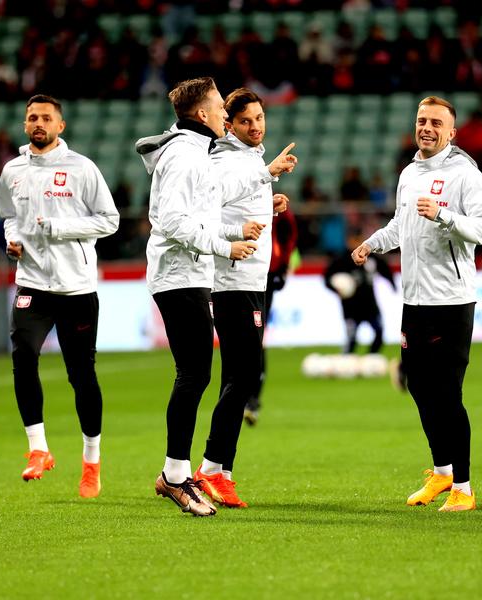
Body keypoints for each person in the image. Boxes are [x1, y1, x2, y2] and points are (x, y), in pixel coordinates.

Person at [135, 78, 296, 516]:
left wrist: (237, 227)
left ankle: (190, 472)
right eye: (222, 108)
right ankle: (185, 475)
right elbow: (172, 222)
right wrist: (226, 245)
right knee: (201, 375)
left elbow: (204, 213)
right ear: (203, 114)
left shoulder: (197, 152)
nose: (226, 114)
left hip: (194, 273)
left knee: (208, 374)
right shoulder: (189, 156)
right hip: (185, 274)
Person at [352, 96, 482, 512]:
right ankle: (442, 471)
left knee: (448, 394)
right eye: (422, 121)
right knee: (417, 385)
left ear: (452, 132)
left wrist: (445, 216)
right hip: (414, 300)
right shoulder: (409, 173)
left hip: (451, 301)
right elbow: (401, 225)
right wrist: (372, 243)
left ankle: (464, 488)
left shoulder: (465, 174)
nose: (427, 128)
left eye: (436, 122)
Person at [0, 94, 120, 498]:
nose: (39, 123)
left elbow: (110, 220)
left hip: (76, 287)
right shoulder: (12, 170)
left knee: (81, 376)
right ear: (24, 124)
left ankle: (91, 461)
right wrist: (13, 241)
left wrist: (59, 228)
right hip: (32, 283)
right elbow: (10, 216)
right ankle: (38, 449)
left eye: (46, 118)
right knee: (23, 356)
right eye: (32, 117)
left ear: (60, 126)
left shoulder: (82, 168)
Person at [196, 87, 292, 508]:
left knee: (236, 376)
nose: (255, 126)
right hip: (231, 281)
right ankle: (210, 468)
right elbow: (212, 206)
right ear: (230, 125)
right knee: (244, 376)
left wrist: (268, 205)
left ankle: (221, 472)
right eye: (245, 121)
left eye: (259, 118)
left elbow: (238, 203)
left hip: (252, 280)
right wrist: (267, 175)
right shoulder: (222, 159)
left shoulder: (250, 159)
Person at [244, 204, 298, 426]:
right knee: (246, 338)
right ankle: (246, 399)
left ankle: (252, 399)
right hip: (235, 275)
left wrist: (282, 265)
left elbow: (289, 233)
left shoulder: (273, 204)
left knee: (256, 337)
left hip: (264, 275)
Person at [326, 229, 395, 354]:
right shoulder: (341, 260)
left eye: (358, 239)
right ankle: (347, 360)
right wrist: (336, 289)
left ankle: (371, 357)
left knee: (379, 333)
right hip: (350, 307)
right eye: (353, 240)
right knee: (351, 339)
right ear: (348, 241)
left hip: (370, 305)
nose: (356, 243)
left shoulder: (370, 257)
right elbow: (327, 278)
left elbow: (385, 269)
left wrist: (393, 284)